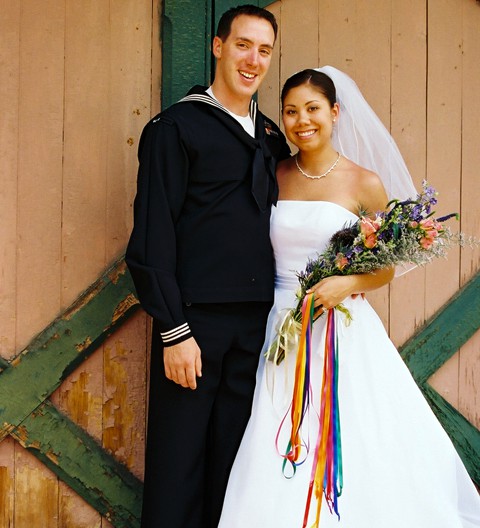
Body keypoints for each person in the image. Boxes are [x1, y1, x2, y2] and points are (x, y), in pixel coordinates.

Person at [218, 67, 480, 527]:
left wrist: (347, 283)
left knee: (355, 436)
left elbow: (385, 268)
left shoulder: (364, 183)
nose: (303, 121)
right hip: (280, 327)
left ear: (335, 112)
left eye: (313, 109)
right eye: (292, 111)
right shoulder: (273, 175)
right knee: (276, 432)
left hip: (341, 327)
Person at [125, 4, 290, 528]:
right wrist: (174, 330)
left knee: (238, 468)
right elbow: (152, 236)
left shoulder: (269, 136)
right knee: (180, 467)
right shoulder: (176, 127)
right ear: (218, 47)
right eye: (243, 44)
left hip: (257, 328)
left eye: (264, 50)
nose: (253, 59)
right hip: (195, 325)